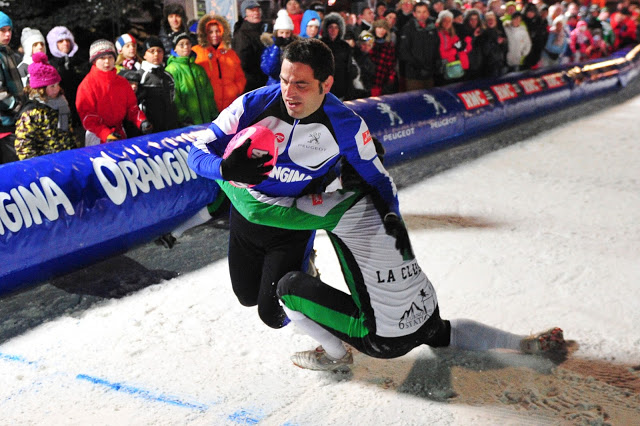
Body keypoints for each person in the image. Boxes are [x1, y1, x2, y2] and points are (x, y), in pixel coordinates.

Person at [215, 161, 566, 371]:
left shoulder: (333, 205)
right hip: (426, 309)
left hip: (384, 339)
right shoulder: (385, 191)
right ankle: (523, 343)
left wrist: (221, 173)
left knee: (287, 287)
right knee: (443, 331)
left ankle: (336, 356)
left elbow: (260, 211)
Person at [187, 38, 399, 329]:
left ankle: (315, 302)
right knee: (246, 297)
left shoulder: (346, 124)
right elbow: (196, 151)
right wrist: (223, 167)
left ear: (326, 84)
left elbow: (378, 178)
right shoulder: (254, 103)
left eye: (301, 84)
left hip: (293, 225)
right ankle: (303, 276)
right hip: (248, 217)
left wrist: (391, 216)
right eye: (285, 80)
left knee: (273, 315)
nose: (289, 92)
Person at [75, 39, 151, 145]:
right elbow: (88, 116)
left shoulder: (122, 82)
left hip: (119, 132)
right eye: (102, 58)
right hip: (97, 135)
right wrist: (105, 133)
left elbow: (132, 107)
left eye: (110, 57)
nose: (107, 61)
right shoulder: (87, 85)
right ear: (94, 60)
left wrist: (141, 121)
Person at [14, 52, 76, 160]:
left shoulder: (62, 103)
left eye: (57, 84)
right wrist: (39, 167)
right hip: (45, 164)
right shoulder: (30, 113)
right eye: (52, 86)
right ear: (40, 89)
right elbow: (24, 147)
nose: (56, 89)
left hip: (65, 158)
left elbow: (67, 134)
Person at [192, 14, 245, 112]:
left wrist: (236, 89)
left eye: (217, 31)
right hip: (208, 106)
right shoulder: (196, 52)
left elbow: (240, 77)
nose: (214, 35)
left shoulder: (230, 53)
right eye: (210, 32)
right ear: (204, 34)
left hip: (230, 105)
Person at [165, 32, 218, 127]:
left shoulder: (198, 69)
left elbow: (209, 93)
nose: (185, 47)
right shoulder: (171, 70)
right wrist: (183, 117)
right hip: (187, 123)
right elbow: (174, 98)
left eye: (188, 44)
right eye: (181, 45)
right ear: (175, 48)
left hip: (206, 120)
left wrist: (214, 113)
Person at [46, 26, 85, 134]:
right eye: (61, 41)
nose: (65, 43)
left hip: (81, 114)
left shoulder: (80, 62)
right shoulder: (50, 65)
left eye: (67, 40)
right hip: (61, 115)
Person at [137, 36, 179, 132]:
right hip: (150, 127)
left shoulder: (168, 75)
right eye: (152, 51)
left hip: (169, 125)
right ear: (144, 55)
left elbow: (173, 100)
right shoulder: (140, 76)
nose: (156, 54)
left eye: (159, 51)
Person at [398, 1, 440, 91]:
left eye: (424, 11)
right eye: (419, 12)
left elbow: (436, 47)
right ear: (414, 14)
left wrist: (436, 64)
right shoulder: (408, 28)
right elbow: (403, 51)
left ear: (428, 13)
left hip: (430, 73)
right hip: (414, 75)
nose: (422, 15)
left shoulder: (433, 28)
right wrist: (418, 67)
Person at [0, 11, 24, 164]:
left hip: (12, 121)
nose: (7, 34)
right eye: (2, 30)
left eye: (9, 30)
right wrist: (20, 108)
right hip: (3, 124)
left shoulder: (7, 52)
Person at [233, 0, 269, 92]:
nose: (256, 13)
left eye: (257, 10)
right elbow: (243, 62)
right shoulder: (242, 35)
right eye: (252, 11)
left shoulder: (263, 29)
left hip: (263, 81)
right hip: (252, 83)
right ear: (245, 15)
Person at [321, 12, 357, 100]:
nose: (333, 30)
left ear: (340, 29)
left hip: (341, 88)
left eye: (336, 27)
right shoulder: (320, 44)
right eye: (330, 27)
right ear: (326, 29)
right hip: (324, 88)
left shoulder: (345, 46)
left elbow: (348, 67)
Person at [436, 10, 469, 85]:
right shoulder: (440, 34)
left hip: (456, 67)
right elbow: (442, 54)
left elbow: (461, 48)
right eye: (445, 21)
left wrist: (463, 45)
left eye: (449, 21)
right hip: (447, 68)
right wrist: (455, 49)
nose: (447, 23)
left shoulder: (452, 33)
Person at [369, 18, 397, 96]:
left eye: (384, 28)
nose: (381, 31)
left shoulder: (389, 45)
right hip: (368, 81)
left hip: (382, 81)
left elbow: (391, 65)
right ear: (375, 28)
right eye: (379, 27)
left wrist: (390, 79)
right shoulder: (368, 41)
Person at [522, 2, 549, 70]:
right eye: (529, 12)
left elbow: (542, 36)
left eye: (532, 12)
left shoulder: (539, 21)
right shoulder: (522, 21)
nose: (530, 14)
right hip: (524, 49)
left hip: (536, 49)